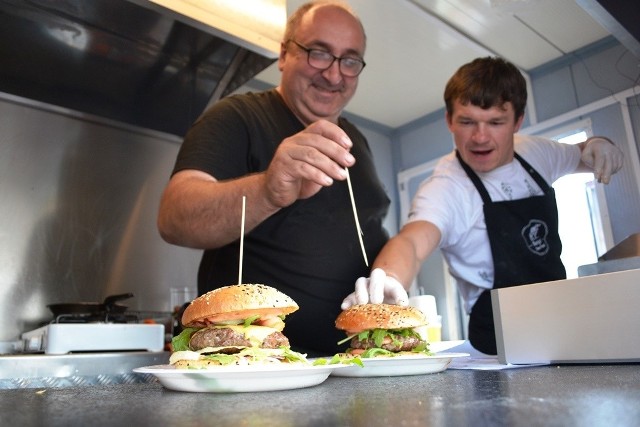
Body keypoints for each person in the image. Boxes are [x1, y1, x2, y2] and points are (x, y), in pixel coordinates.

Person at [342, 56, 624, 355]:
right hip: (496, 339)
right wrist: (389, 277)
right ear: (450, 120)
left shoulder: (537, 152)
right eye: (467, 121)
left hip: (562, 320)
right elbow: (412, 241)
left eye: (495, 122)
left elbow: (585, 153)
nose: (480, 137)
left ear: (517, 121)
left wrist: (600, 142)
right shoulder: (445, 187)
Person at [157, 1, 391, 357]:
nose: (333, 74)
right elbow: (173, 219)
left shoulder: (358, 140)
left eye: (349, 60)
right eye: (318, 53)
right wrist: (268, 190)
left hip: (355, 363)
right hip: (254, 368)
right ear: (284, 54)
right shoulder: (236, 117)